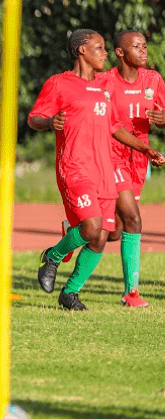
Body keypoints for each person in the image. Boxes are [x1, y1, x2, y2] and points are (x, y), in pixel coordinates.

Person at [28, 29, 165, 311]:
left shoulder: (113, 87)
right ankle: (56, 258)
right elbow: (35, 117)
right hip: (85, 165)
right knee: (110, 224)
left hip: (113, 167)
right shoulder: (70, 82)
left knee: (105, 235)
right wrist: (49, 121)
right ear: (82, 51)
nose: (104, 53)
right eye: (100, 48)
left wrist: (145, 148)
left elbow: (116, 126)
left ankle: (70, 292)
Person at [102, 30, 165, 307]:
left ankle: (75, 229)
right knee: (135, 219)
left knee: (114, 230)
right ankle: (132, 293)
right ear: (120, 52)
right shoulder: (104, 81)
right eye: (136, 46)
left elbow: (162, 118)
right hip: (111, 155)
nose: (144, 51)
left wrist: (163, 119)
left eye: (145, 46)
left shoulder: (153, 80)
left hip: (139, 158)